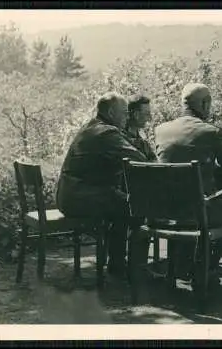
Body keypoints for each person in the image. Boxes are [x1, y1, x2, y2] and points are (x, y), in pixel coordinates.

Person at [154, 82, 222, 284]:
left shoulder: (161, 130)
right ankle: (206, 268)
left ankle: (185, 267)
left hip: (165, 211)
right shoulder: (211, 132)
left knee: (197, 204)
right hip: (198, 212)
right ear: (205, 104)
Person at [56, 92, 155, 278]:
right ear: (111, 112)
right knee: (138, 206)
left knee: (121, 202)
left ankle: (118, 263)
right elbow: (139, 160)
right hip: (80, 198)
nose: (127, 117)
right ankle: (136, 268)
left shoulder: (91, 127)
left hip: (70, 195)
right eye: (125, 113)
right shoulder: (107, 132)